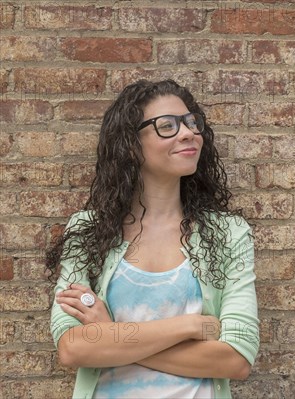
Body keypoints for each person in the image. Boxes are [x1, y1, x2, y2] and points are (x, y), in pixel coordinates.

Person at [46, 79, 259, 399]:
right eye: (167, 126)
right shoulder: (87, 231)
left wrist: (109, 336)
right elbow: (72, 349)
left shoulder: (229, 234)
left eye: (191, 122)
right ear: (131, 144)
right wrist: (187, 327)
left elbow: (236, 358)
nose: (188, 133)